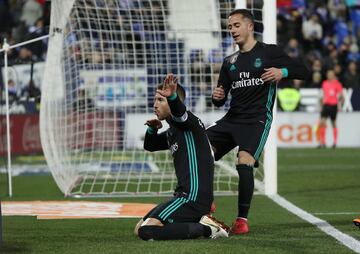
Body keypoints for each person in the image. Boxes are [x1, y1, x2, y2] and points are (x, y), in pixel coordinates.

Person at [206, 9, 310, 234]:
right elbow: (220, 95)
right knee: (199, 149)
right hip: (232, 119)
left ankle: (241, 220)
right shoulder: (229, 61)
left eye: (235, 25)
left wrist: (282, 71)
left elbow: (304, 71)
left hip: (256, 121)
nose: (232, 30)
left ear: (250, 26)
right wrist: (216, 97)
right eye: (229, 27)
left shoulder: (269, 52)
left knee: (244, 161)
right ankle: (206, 204)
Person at [134, 74, 229, 241]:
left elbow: (180, 113)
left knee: (147, 231)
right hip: (183, 196)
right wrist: (152, 129)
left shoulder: (189, 123)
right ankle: (199, 222)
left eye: (160, 100)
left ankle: (208, 229)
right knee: (138, 229)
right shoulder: (173, 131)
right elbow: (150, 145)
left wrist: (171, 97)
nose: (154, 105)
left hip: (193, 197)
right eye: (155, 100)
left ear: (174, 102)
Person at [317, 69, 344, 148]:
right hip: (326, 105)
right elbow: (322, 95)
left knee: (333, 123)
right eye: (328, 74)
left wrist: (340, 103)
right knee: (322, 123)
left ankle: (335, 143)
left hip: (333, 105)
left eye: (330, 74)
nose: (329, 75)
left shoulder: (337, 84)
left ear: (333, 75)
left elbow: (341, 95)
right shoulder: (324, 83)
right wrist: (321, 105)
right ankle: (323, 142)